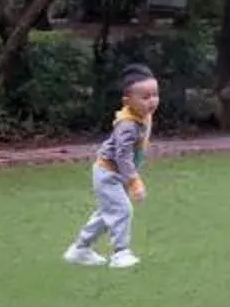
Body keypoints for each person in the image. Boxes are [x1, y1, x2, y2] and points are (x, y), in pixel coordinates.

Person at [64, 66, 159, 270]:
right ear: (127, 101)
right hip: (108, 173)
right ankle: (120, 253)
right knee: (122, 210)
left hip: (117, 174)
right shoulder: (127, 126)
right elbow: (122, 155)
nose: (152, 100)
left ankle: (80, 249)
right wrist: (134, 181)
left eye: (155, 95)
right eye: (145, 97)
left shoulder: (143, 117)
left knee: (107, 213)